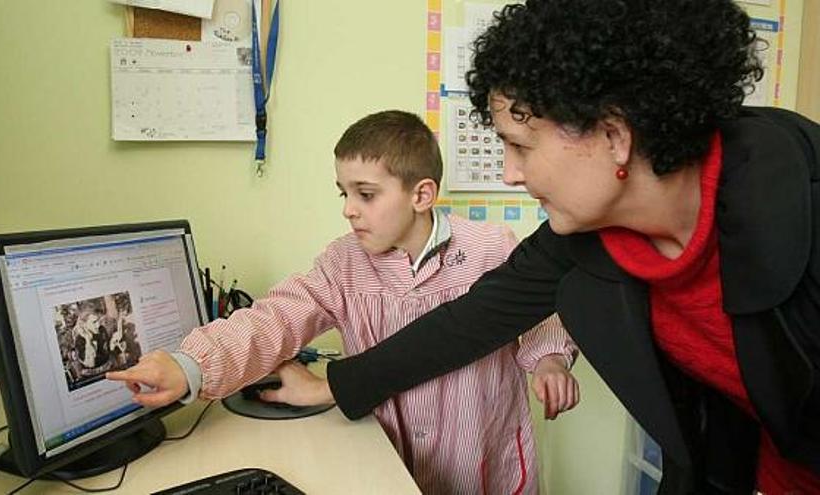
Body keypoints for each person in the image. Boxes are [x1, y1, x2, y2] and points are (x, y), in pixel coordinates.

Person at [285, 2, 820, 494]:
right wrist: (335, 384)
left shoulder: (802, 201)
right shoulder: (585, 237)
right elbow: (468, 323)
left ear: (615, 136)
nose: (509, 173)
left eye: (520, 145)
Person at [108, 110, 580, 494]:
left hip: (485, 461)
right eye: (344, 192)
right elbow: (275, 317)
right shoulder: (342, 263)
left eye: (366, 194)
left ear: (421, 194)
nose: (348, 208)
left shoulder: (489, 247)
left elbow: (544, 306)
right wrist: (191, 365)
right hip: (391, 462)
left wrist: (549, 359)